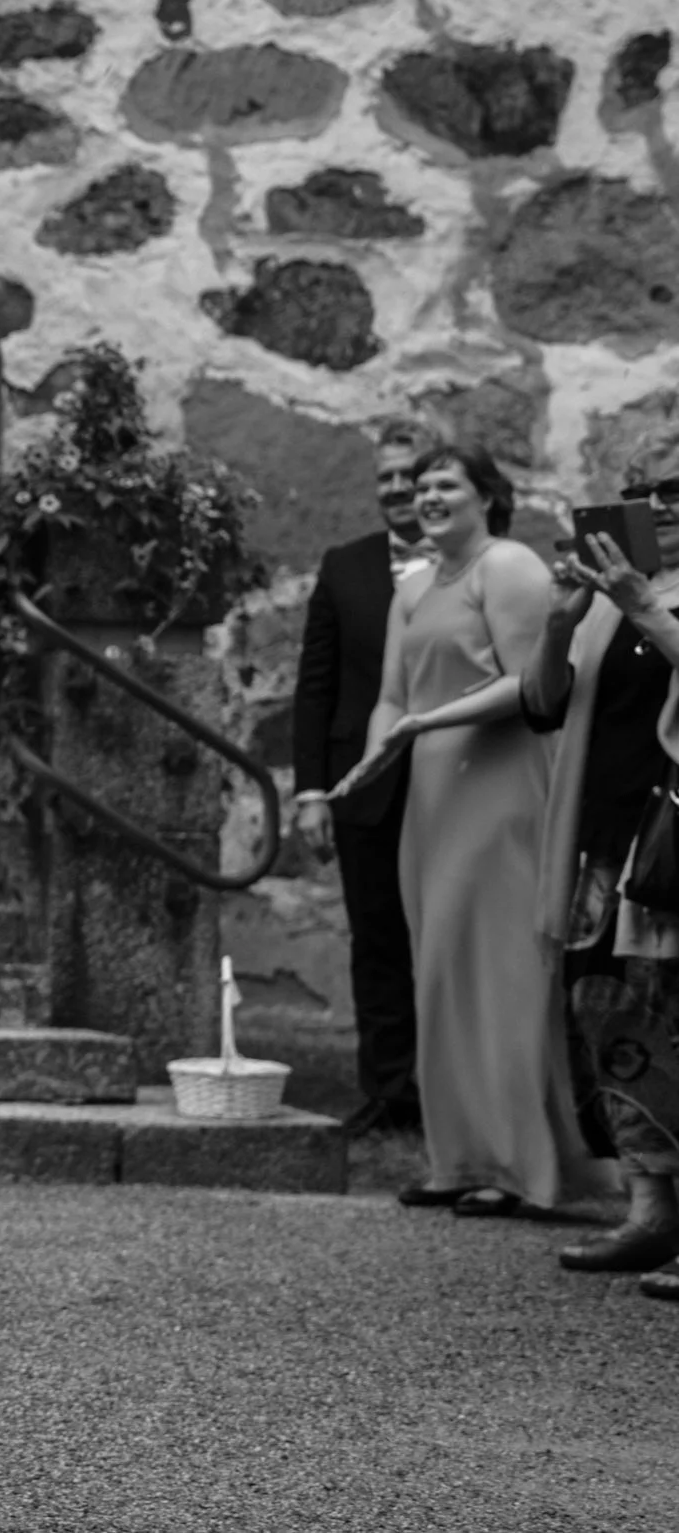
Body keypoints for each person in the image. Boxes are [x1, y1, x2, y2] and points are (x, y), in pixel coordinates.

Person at [338, 442, 608, 1216]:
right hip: (431, 793)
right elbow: (391, 694)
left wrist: (424, 720)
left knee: (503, 972)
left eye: (444, 483)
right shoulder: (415, 584)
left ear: (486, 496)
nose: (426, 495)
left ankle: (523, 1164)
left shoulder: (510, 566)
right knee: (441, 966)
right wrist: (373, 755)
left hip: (500, 784)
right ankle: (456, 1157)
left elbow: (531, 685)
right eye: (420, 485)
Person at [531, 444, 679, 1280]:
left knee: (678, 1021)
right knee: (612, 1018)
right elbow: (543, 703)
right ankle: (650, 1209)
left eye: (671, 491)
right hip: (605, 843)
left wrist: (647, 609)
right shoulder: (606, 602)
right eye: (635, 492)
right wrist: (559, 619)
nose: (653, 504)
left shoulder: (641, 601)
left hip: (675, 842)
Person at [290, 418, 434, 1138]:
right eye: (387, 476)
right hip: (360, 785)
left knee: (443, 939)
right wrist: (310, 789)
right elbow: (314, 687)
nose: (399, 487)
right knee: (377, 940)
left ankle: (451, 1093)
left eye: (411, 473)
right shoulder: (343, 565)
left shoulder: (473, 560)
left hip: (449, 780)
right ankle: (386, 1091)